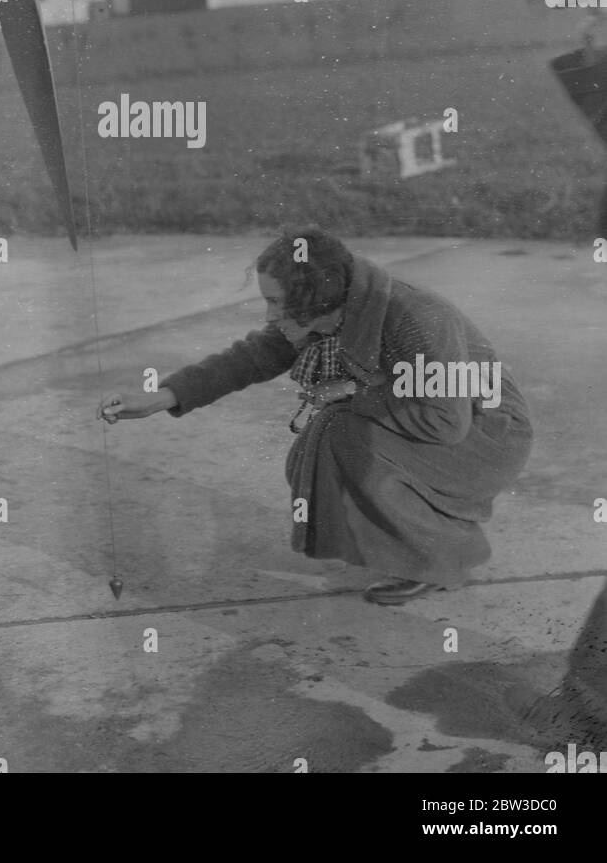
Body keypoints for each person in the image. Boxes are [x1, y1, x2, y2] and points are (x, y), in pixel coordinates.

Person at [98, 228, 534, 605]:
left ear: (315, 300)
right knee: (330, 437)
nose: (271, 316)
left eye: (276, 304)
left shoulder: (417, 317)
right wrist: (162, 395)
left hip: (487, 436)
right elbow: (251, 357)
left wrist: (352, 390)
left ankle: (442, 559)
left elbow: (445, 421)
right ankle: (415, 544)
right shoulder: (334, 304)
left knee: (342, 432)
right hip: (450, 427)